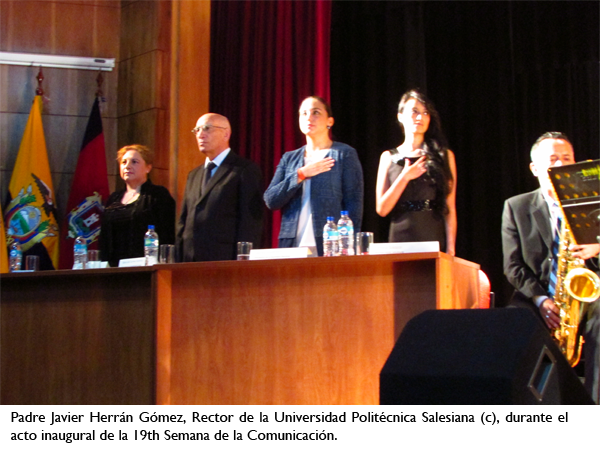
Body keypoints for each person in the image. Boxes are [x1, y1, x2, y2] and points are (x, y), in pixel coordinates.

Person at [502, 131, 600, 403]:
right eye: (552, 159)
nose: (560, 165)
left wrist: (597, 248)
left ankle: (594, 408)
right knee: (513, 322)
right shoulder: (516, 206)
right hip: (537, 295)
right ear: (535, 169)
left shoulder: (593, 203)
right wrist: (541, 299)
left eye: (566, 158)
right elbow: (512, 266)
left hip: (586, 294)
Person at [264, 96, 363, 256]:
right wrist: (301, 173)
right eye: (303, 113)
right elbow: (271, 200)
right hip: (292, 244)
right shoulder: (290, 158)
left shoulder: (344, 154)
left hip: (331, 242)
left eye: (315, 112)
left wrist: (349, 244)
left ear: (329, 121)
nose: (309, 117)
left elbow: (354, 203)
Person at [375, 89, 457, 255]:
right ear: (400, 116)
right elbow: (382, 209)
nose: (420, 117)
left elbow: (450, 208)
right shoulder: (388, 157)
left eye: (425, 113)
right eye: (414, 111)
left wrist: (450, 248)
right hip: (400, 238)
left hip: (432, 234)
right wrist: (404, 177)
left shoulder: (443, 156)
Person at [177, 113, 263, 261]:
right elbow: (183, 221)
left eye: (207, 128)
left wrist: (243, 261)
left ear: (226, 134)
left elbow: (250, 223)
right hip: (189, 262)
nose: (200, 134)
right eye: (197, 130)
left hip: (223, 260)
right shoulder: (194, 175)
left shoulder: (244, 169)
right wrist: (177, 258)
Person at [99, 144, 176, 266]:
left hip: (144, 268)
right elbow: (104, 238)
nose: (127, 166)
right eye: (124, 162)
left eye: (134, 162)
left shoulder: (158, 195)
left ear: (148, 168)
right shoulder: (113, 198)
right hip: (112, 269)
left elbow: (168, 235)